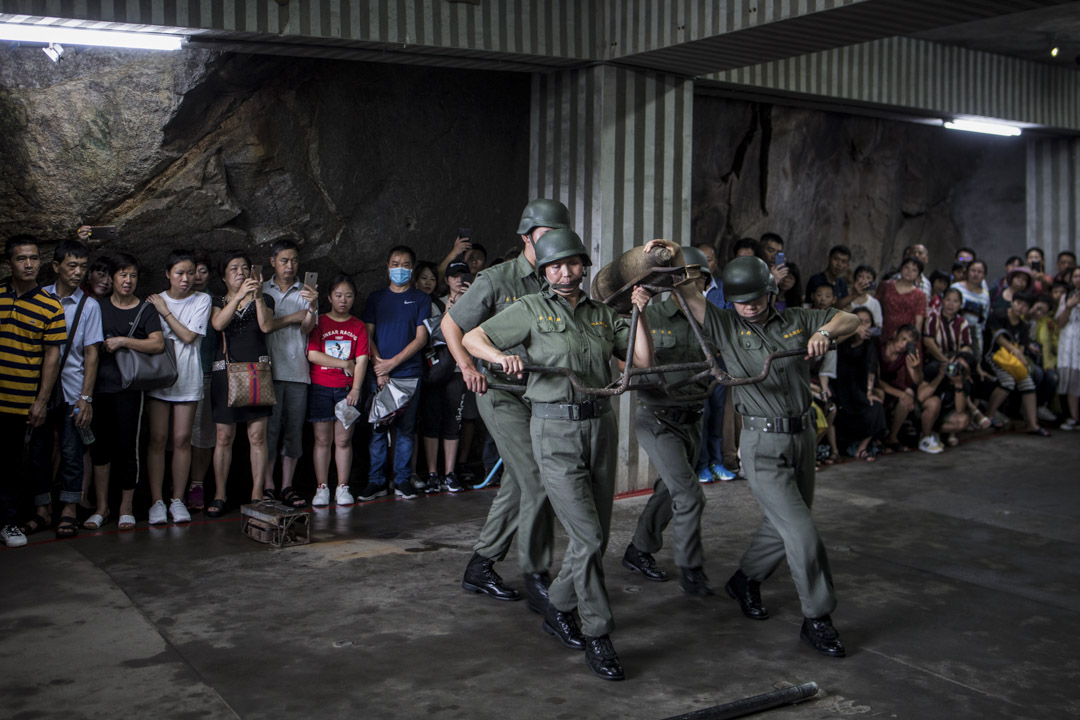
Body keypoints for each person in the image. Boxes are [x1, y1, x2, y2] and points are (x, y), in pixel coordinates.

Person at [463, 229, 656, 681]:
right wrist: (497, 357)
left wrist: (640, 314)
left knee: (598, 538)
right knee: (587, 539)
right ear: (544, 271)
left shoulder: (603, 315)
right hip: (554, 429)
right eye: (554, 265)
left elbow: (641, 361)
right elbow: (472, 337)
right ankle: (597, 633)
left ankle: (557, 606)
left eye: (571, 263)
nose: (564, 272)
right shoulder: (529, 309)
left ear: (583, 265)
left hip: (600, 425)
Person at [671, 254, 858, 659]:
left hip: (803, 436)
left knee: (784, 524)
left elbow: (851, 320)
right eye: (741, 300)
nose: (750, 306)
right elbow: (687, 292)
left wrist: (823, 332)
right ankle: (818, 618)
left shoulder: (796, 320)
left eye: (756, 297)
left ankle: (745, 580)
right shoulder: (724, 325)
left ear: (771, 291)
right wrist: (668, 254)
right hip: (762, 445)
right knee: (803, 532)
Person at [444, 199, 566, 613]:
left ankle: (481, 565)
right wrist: (465, 366)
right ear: (526, 238)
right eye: (546, 236)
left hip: (539, 395)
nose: (554, 245)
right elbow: (452, 323)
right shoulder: (498, 278)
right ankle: (537, 574)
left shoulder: (557, 280)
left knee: (518, 483)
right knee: (537, 480)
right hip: (499, 392)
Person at [622, 246, 717, 596]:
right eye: (681, 279)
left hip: (693, 418)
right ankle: (691, 569)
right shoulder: (651, 314)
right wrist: (640, 312)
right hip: (657, 419)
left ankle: (638, 549)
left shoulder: (714, 319)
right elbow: (631, 362)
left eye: (696, 280)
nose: (688, 286)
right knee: (690, 495)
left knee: (670, 488)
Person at [23, 239, 101, 539]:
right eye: (72, 266)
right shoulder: (39, 297)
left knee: (71, 452)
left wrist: (86, 397)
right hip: (39, 391)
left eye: (83, 267)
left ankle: (69, 508)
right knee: (39, 453)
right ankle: (42, 511)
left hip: (71, 391)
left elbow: (91, 353)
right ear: (56, 267)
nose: (78, 272)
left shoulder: (89, 305)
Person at [89, 253, 165, 530]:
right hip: (99, 386)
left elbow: (157, 345)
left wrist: (124, 341)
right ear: (112, 278)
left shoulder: (144, 310)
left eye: (132, 275)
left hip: (129, 388)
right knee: (100, 447)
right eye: (123, 275)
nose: (128, 280)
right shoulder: (97, 307)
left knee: (127, 446)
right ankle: (101, 508)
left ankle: (126, 507)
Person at [0, 236, 67, 547]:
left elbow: (52, 356)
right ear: (9, 263)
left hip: (22, 401)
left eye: (34, 258)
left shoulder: (50, 305)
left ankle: (9, 522)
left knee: (14, 467)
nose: (28, 264)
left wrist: (41, 401)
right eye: (21, 258)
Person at [144, 250, 212, 525]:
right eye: (179, 273)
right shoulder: (155, 300)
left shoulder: (202, 299)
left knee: (183, 439)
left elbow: (187, 336)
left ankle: (177, 500)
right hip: (159, 378)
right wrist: (161, 307)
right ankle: (156, 502)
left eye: (190, 273)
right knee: (158, 440)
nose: (186, 279)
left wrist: (166, 312)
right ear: (168, 274)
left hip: (188, 377)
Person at [358, 245, 431, 501]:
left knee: (406, 429)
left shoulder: (421, 299)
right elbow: (367, 335)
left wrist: (392, 364)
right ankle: (376, 481)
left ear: (412, 268)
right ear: (387, 266)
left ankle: (401, 480)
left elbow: (421, 338)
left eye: (405, 264)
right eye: (395, 263)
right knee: (378, 429)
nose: (400, 268)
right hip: (379, 375)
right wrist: (380, 367)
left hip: (410, 373)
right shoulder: (376, 298)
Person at [208, 251, 277, 516]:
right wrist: (237, 296)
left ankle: (257, 494)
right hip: (225, 374)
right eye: (234, 269)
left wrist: (257, 295)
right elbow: (217, 324)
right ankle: (220, 494)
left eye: (245, 268)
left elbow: (266, 326)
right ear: (224, 276)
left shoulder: (265, 297)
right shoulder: (217, 300)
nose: (240, 272)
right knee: (224, 436)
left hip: (257, 371)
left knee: (257, 436)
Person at [262, 239, 319, 508]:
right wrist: (290, 317)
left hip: (297, 371)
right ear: (272, 261)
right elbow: (264, 327)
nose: (289, 265)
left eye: (294, 260)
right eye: (284, 260)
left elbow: (307, 328)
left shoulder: (305, 291)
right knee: (268, 433)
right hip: (268, 372)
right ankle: (267, 485)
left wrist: (311, 308)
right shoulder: (262, 290)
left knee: (293, 432)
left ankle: (287, 485)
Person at [307, 274, 369, 506]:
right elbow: (312, 355)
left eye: (349, 296)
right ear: (329, 297)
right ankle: (322, 487)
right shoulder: (319, 322)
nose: (343, 300)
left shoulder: (358, 326)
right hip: (321, 387)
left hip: (346, 391)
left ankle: (343, 487)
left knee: (344, 441)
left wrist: (356, 389)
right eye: (339, 295)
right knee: (321, 440)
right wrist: (344, 363)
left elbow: (362, 360)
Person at [419, 261, 470, 494]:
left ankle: (449, 473)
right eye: (454, 276)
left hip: (459, 370)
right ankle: (432, 473)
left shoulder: (474, 302)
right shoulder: (434, 304)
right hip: (436, 369)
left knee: (453, 421)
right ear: (446, 280)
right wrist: (448, 312)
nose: (459, 280)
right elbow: (430, 338)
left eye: (463, 275)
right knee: (431, 421)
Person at [983, 292, 1049, 436]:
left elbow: (1022, 347)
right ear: (1012, 302)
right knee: (1008, 381)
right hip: (993, 357)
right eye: (1018, 303)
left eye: (1025, 306)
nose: (1021, 308)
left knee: (1028, 383)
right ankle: (989, 415)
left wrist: (1019, 357)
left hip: (1012, 361)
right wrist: (1016, 352)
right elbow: (998, 337)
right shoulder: (998, 315)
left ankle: (1032, 423)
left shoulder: (1023, 326)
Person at [834, 308, 887, 461]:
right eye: (859, 321)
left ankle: (862, 448)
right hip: (840, 386)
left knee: (875, 406)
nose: (863, 325)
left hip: (859, 388)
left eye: (866, 322)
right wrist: (853, 331)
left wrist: (870, 391)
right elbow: (833, 343)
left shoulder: (870, 344)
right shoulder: (843, 339)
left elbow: (871, 369)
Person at [186, 250, 216, 513]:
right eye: (191, 271)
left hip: (207, 374)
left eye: (202, 271)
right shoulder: (171, 301)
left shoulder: (215, 303)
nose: (196, 277)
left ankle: (197, 485)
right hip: (177, 377)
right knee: (178, 435)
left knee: (203, 435)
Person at [877, 324, 924, 452]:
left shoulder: (904, 355)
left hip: (890, 382)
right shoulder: (879, 347)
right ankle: (877, 438)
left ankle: (892, 437)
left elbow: (917, 380)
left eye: (908, 343)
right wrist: (902, 394)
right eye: (903, 339)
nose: (903, 344)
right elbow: (878, 381)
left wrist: (915, 367)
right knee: (902, 395)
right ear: (895, 334)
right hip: (875, 382)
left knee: (909, 393)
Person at [877, 257, 927, 348]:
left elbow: (918, 321)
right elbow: (876, 306)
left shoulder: (920, 295)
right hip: (884, 329)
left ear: (918, 275)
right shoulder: (886, 286)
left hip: (906, 336)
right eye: (906, 267)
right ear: (901, 268)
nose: (909, 271)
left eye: (914, 270)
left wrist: (914, 342)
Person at [1054, 267, 1080, 430]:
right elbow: (1059, 323)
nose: (1078, 279)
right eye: (1075, 276)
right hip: (1069, 341)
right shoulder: (1067, 296)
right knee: (1072, 379)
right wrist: (1069, 306)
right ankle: (1074, 417)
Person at [951, 259, 992, 361]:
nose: (976, 274)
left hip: (975, 336)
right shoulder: (956, 288)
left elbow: (984, 319)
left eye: (980, 272)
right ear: (967, 272)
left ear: (984, 275)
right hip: (954, 332)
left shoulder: (985, 295)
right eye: (973, 270)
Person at [923, 287, 972, 364]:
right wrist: (945, 360)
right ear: (942, 301)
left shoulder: (963, 322)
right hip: (935, 358)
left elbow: (966, 346)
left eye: (955, 301)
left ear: (960, 304)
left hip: (956, 359)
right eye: (948, 300)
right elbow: (928, 342)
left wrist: (955, 359)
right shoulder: (933, 317)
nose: (951, 304)